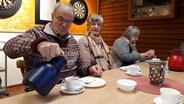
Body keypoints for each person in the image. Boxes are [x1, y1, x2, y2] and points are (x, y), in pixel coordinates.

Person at [3, 2, 103, 87]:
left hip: (71, 89)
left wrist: (89, 69)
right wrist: (38, 44)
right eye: (60, 19)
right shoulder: (36, 33)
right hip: (40, 91)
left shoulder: (72, 41)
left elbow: (79, 65)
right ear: (52, 16)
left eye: (69, 22)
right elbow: (8, 48)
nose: (64, 25)